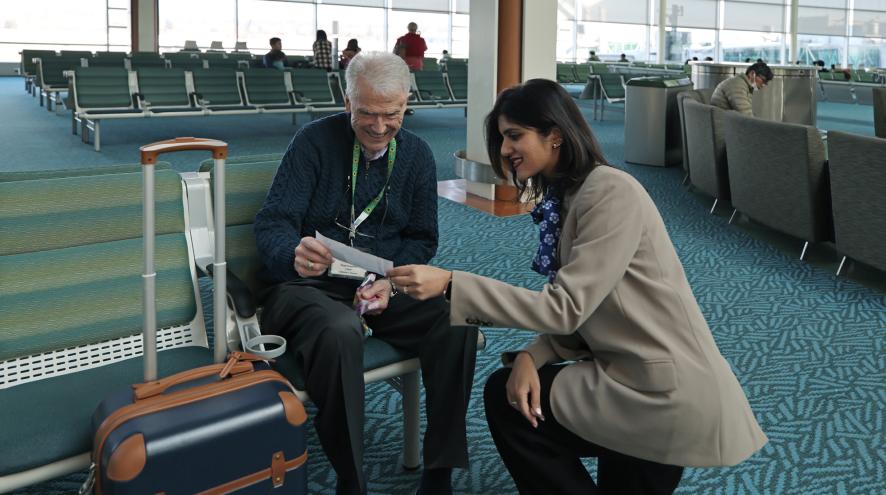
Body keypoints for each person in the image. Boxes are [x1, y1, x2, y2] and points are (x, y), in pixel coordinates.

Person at [387, 79, 768, 494]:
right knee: (512, 392)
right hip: (624, 376)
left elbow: (565, 307)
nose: (504, 149)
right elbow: (585, 311)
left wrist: (451, 284)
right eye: (501, 138)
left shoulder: (609, 191)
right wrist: (533, 356)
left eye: (515, 135)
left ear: (555, 135)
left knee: (506, 399)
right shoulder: (569, 196)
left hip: (659, 393)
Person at [253, 51, 477, 495]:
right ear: (346, 100)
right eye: (366, 114)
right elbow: (273, 222)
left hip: (380, 285)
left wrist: (391, 283)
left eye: (391, 115)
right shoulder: (314, 143)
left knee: (458, 322)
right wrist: (293, 253)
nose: (378, 127)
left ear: (406, 103)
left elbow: (422, 237)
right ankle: (351, 479)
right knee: (340, 331)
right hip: (308, 285)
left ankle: (439, 472)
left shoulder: (415, 154)